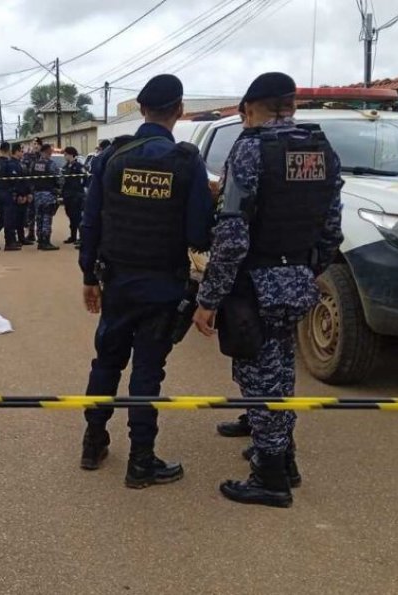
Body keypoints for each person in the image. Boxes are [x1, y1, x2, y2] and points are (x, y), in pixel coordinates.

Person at [192, 72, 344, 508]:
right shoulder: (321, 149)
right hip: (297, 278)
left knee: (262, 376)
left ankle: (270, 477)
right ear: (291, 105)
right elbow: (332, 225)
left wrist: (209, 298)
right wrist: (310, 267)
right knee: (278, 369)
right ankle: (281, 455)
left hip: (255, 283)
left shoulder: (250, 150)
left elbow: (234, 235)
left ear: (252, 108)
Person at [78, 74, 214, 489]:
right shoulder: (186, 162)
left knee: (107, 361)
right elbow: (198, 236)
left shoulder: (112, 157)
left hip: (117, 281)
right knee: (147, 371)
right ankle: (141, 461)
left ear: (141, 109)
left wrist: (88, 276)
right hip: (162, 285)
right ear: (179, 110)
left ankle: (93, 442)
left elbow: (90, 222)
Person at [0, 142, 21, 251]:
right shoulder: (9, 164)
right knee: (9, 219)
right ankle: (9, 243)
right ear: (8, 150)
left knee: (2, 218)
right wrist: (17, 192)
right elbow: (14, 180)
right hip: (8, 194)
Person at [30, 143, 61, 251]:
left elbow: (31, 178)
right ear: (48, 152)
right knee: (47, 217)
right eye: (50, 151)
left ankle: (40, 240)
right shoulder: (51, 164)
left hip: (37, 194)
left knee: (39, 217)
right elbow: (60, 179)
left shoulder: (34, 164)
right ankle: (46, 241)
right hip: (48, 194)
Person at [61, 146, 86, 246]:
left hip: (76, 195)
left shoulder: (79, 166)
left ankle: (81, 238)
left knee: (77, 217)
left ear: (71, 154)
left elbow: (86, 178)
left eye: (66, 154)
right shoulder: (66, 166)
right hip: (67, 195)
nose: (64, 156)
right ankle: (73, 236)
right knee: (70, 216)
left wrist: (81, 189)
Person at [11, 143, 33, 246]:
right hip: (17, 196)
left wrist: (28, 193)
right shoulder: (11, 164)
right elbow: (14, 183)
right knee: (15, 218)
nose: (22, 153)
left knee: (22, 218)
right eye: (21, 151)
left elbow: (25, 180)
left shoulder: (21, 164)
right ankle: (14, 239)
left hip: (24, 194)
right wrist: (19, 195)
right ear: (16, 152)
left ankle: (21, 238)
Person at [22, 137, 42, 243]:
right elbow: (24, 171)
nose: (35, 145)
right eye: (34, 143)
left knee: (40, 213)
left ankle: (40, 234)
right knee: (30, 213)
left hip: (40, 188)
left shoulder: (43, 157)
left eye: (37, 144)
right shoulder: (27, 157)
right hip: (30, 188)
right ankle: (30, 233)